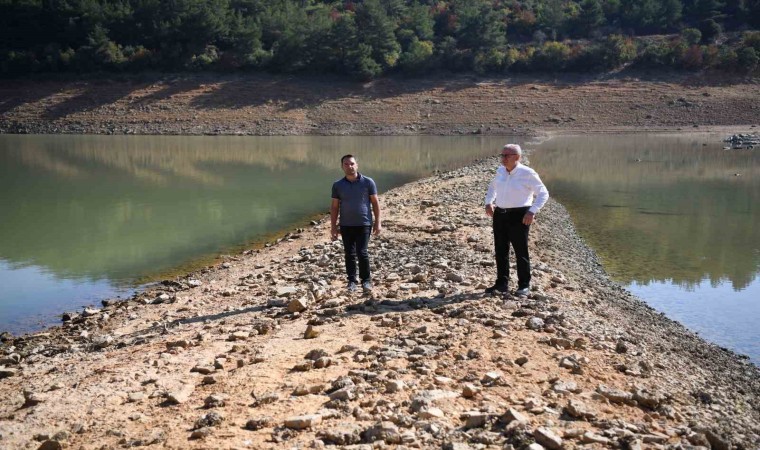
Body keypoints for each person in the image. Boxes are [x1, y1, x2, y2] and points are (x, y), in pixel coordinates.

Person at [484, 144, 549, 296]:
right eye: (502, 155)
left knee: (521, 251)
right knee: (500, 250)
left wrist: (532, 211)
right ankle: (501, 284)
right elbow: (492, 187)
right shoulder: (500, 171)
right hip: (500, 214)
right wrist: (489, 202)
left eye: (507, 155)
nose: (503, 158)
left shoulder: (527, 173)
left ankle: (524, 285)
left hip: (519, 215)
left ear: (517, 158)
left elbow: (543, 193)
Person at [331, 154, 382, 293]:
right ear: (342, 167)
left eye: (352, 163)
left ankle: (366, 281)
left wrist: (378, 222)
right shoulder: (338, 185)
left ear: (357, 165)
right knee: (349, 253)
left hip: (364, 223)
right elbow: (335, 207)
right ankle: (352, 281)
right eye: (346, 164)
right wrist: (333, 227)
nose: (350, 166)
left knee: (362, 252)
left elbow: (375, 203)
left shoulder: (368, 182)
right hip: (346, 225)